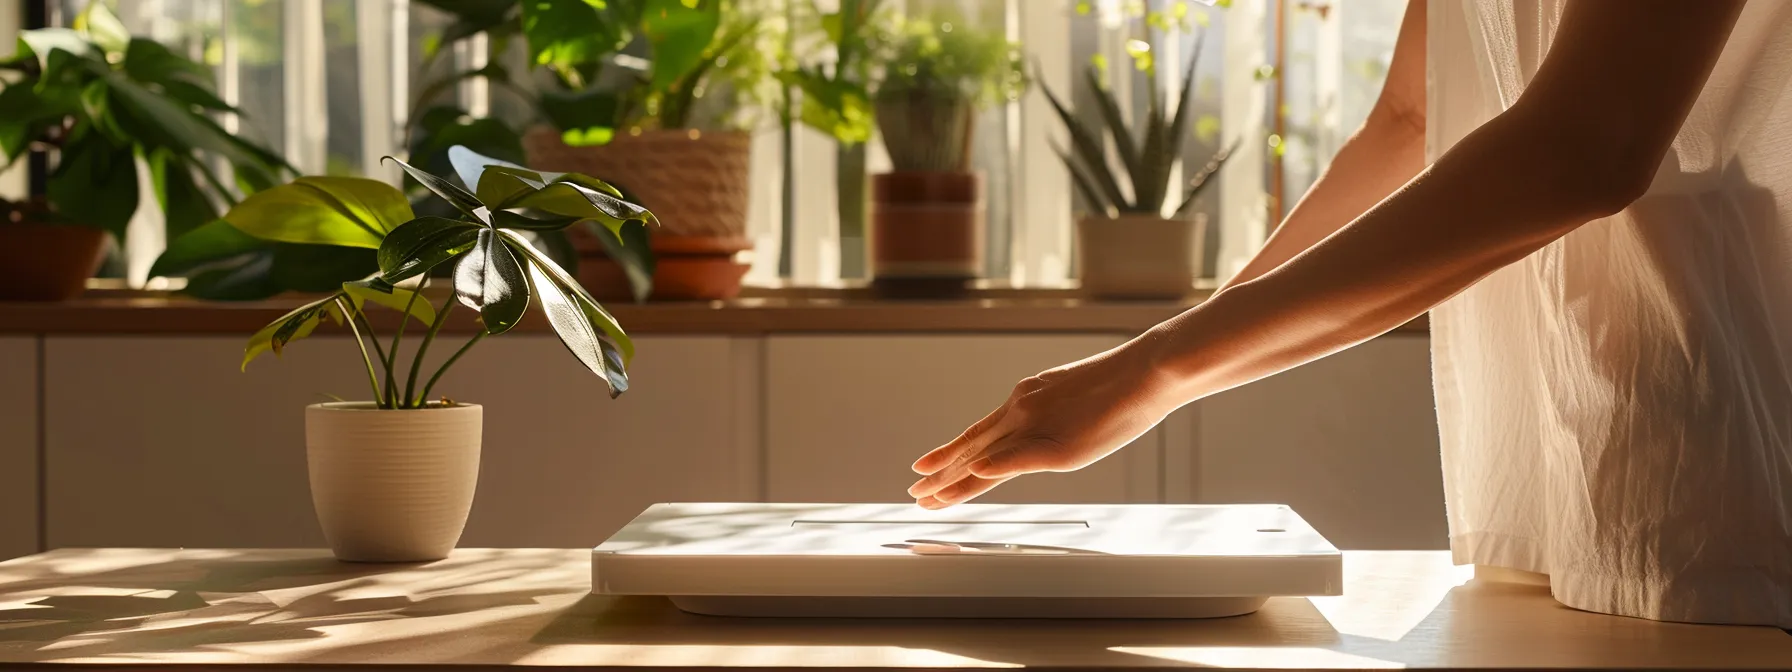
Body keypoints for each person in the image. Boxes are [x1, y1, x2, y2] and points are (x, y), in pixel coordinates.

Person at [907, 0, 1792, 628]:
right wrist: (1162, 363)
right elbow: (1409, 118)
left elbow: (1588, 145)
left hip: (1727, 459)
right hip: (1564, 461)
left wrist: (1158, 369)